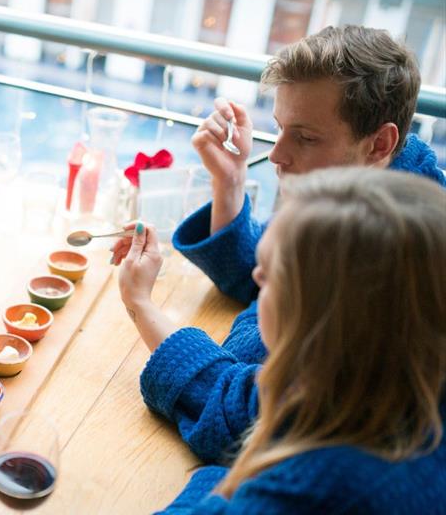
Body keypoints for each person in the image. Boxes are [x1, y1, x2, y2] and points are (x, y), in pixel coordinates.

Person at [111, 25, 445, 365]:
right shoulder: (356, 188)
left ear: (379, 144)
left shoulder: (392, 263)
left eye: (306, 137)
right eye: (279, 128)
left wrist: (140, 303)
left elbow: (249, 404)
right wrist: (229, 181)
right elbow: (256, 272)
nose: (275, 155)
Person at [118, 168, 445, 511]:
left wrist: (215, 480)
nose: (255, 278)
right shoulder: (391, 384)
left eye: (270, 275)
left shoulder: (323, 487)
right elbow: (251, 406)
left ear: (324, 320)